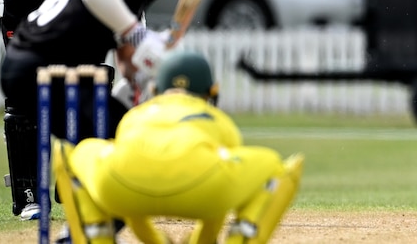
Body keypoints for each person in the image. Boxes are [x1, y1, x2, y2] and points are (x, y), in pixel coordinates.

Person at [0, 0, 192, 222]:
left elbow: (117, 36)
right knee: (121, 160)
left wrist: (137, 70)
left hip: (28, 65)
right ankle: (81, 189)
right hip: (44, 68)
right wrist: (141, 36)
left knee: (118, 132)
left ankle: (77, 184)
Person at [52, 50, 305, 244]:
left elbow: (133, 199)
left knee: (77, 154)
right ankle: (242, 237)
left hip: (120, 186)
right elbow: (219, 196)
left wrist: (154, 240)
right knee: (276, 167)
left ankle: (96, 236)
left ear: (155, 89)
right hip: (204, 188)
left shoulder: (136, 115)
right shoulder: (217, 119)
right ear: (212, 92)